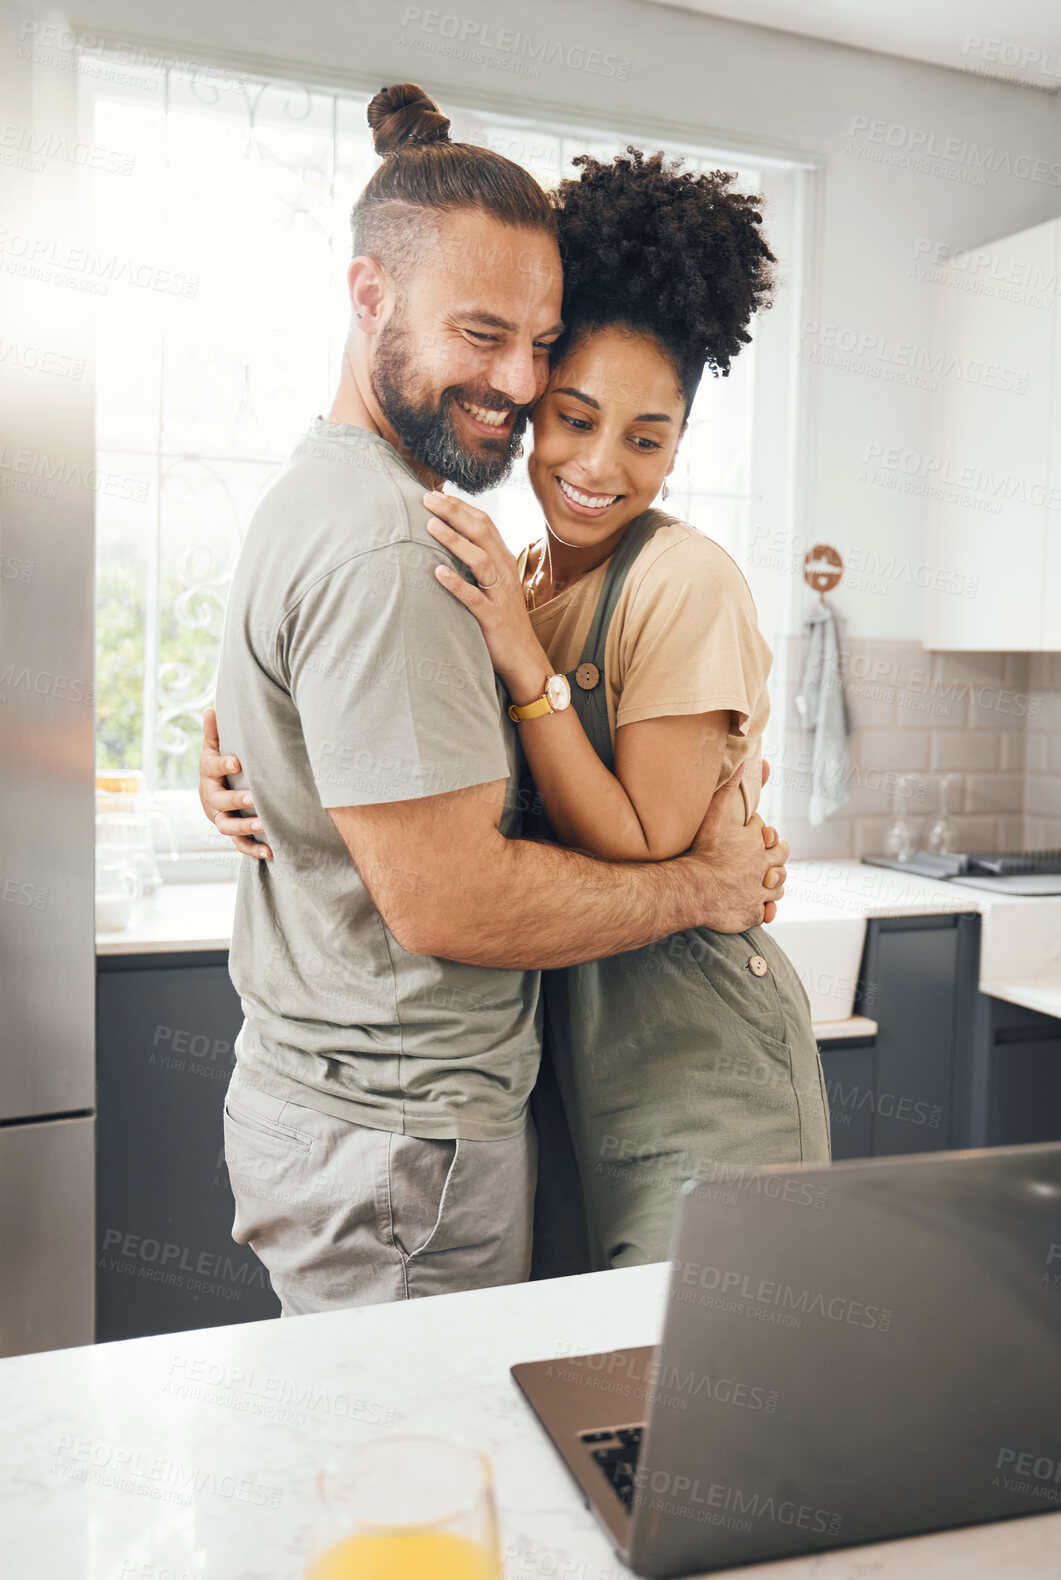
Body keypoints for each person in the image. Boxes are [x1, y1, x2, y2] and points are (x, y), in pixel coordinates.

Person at [205, 83, 788, 1318]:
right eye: (493, 342)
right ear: (371, 297)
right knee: (452, 1464)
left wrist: (292, 769)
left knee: (673, 1412)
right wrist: (705, 885)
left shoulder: (399, 525)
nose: (520, 387)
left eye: (537, 344)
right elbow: (448, 887)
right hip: (409, 1131)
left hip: (613, 1067)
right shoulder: (426, 554)